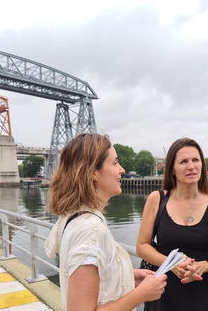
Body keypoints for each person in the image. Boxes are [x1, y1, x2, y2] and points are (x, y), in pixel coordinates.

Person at [45, 133, 167, 311]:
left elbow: (91, 278)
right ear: (93, 172)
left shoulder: (74, 217)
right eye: (115, 162)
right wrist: (142, 294)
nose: (122, 169)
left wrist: (127, 276)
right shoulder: (90, 230)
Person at [137, 137, 208, 310]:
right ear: (172, 169)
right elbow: (142, 246)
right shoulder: (157, 200)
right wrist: (172, 264)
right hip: (162, 293)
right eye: (183, 161)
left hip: (203, 296)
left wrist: (204, 266)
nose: (191, 166)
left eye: (195, 160)